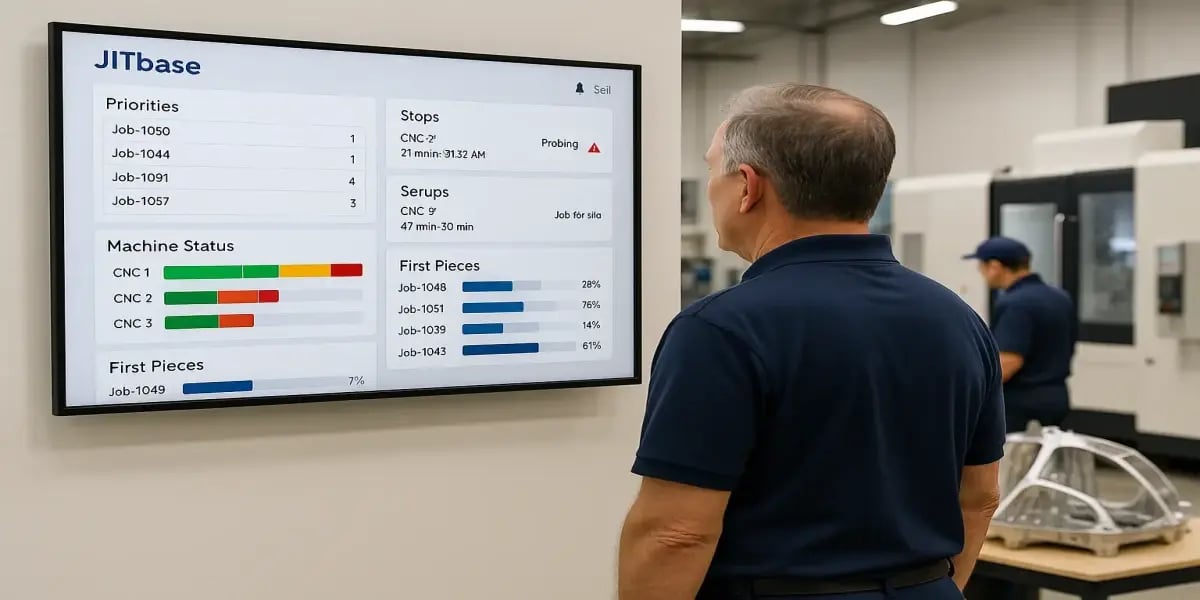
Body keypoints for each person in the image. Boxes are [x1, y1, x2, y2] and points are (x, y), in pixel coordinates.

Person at [617, 83, 1005, 600]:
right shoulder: (959, 320)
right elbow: (978, 499)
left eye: (714, 172)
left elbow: (677, 533)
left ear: (748, 187)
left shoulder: (720, 330)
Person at [963, 237, 1077, 433]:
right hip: (1056, 397)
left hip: (1021, 406)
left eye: (981, 266)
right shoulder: (1059, 297)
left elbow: (1008, 361)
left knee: (1016, 462)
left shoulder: (1015, 304)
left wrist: (967, 388)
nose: (980, 273)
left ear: (995, 266)